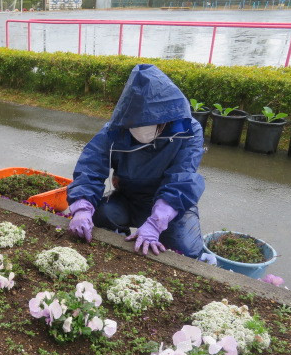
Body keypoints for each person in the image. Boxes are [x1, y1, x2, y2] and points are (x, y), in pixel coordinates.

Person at [67, 63, 211, 261]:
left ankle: (165, 233)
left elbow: (182, 177)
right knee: (102, 216)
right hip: (129, 198)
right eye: (135, 124)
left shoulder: (188, 131)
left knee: (186, 249)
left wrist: (156, 222)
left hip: (171, 204)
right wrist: (82, 208)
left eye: (148, 123)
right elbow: (90, 166)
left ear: (166, 119)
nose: (141, 130)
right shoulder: (116, 129)